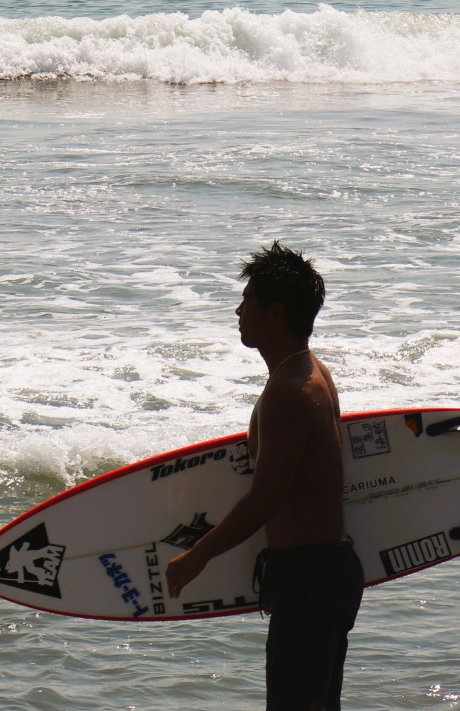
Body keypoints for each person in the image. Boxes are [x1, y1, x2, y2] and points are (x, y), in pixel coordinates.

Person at [166, 241, 363, 711]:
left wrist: (198, 555)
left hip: (310, 579)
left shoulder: (290, 393)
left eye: (248, 302)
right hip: (321, 571)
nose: (238, 310)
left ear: (275, 313)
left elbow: (265, 499)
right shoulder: (311, 374)